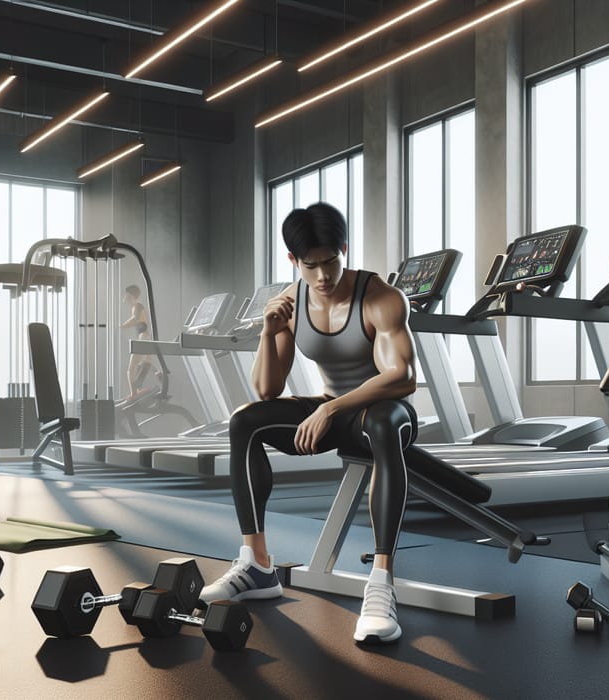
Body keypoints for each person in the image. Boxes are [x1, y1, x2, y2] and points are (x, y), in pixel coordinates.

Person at [198, 202, 418, 645]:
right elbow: (267, 390)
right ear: (293, 262)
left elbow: (402, 378)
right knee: (245, 422)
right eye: (311, 266)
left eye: (331, 262)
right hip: (332, 410)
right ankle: (257, 564)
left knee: (380, 423)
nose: (322, 276)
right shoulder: (291, 301)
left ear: (344, 249)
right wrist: (267, 331)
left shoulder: (380, 298)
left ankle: (380, 584)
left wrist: (330, 409)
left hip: (384, 411)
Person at [120, 285, 155, 402]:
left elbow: (135, 319)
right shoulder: (138, 306)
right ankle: (138, 389)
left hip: (143, 338)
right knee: (144, 364)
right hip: (146, 338)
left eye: (126, 294)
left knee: (131, 369)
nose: (124, 297)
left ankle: (134, 393)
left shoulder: (137, 306)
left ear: (131, 295)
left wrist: (122, 326)